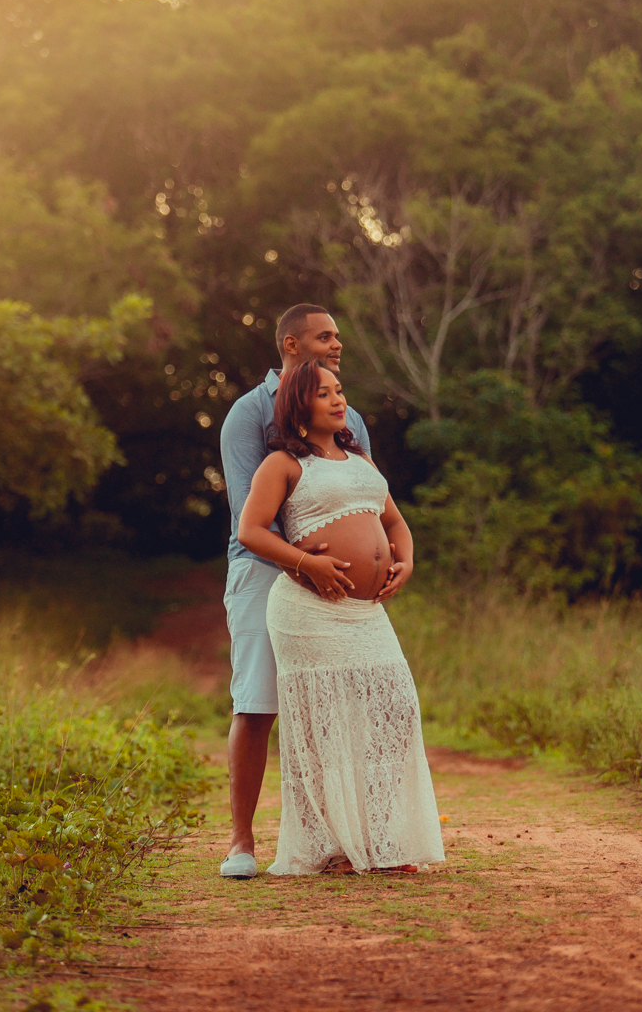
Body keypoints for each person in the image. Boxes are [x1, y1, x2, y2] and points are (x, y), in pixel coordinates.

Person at [238, 361, 444, 875]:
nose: (337, 399)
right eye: (324, 393)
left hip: (364, 613)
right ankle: (333, 848)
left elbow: (395, 521)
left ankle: (382, 841)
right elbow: (251, 531)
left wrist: (405, 560)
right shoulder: (283, 463)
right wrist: (306, 561)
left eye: (339, 389)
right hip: (309, 612)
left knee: (394, 709)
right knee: (323, 727)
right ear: (299, 406)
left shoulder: (361, 459)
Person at [218, 305, 371, 878]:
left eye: (336, 335)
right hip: (264, 571)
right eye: (324, 336)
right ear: (290, 343)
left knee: (332, 706)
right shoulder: (246, 415)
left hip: (334, 578)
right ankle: (240, 842)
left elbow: (363, 490)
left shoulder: (349, 414)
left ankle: (336, 838)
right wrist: (304, 563)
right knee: (257, 703)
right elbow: (248, 515)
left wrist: (379, 558)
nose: (337, 344)